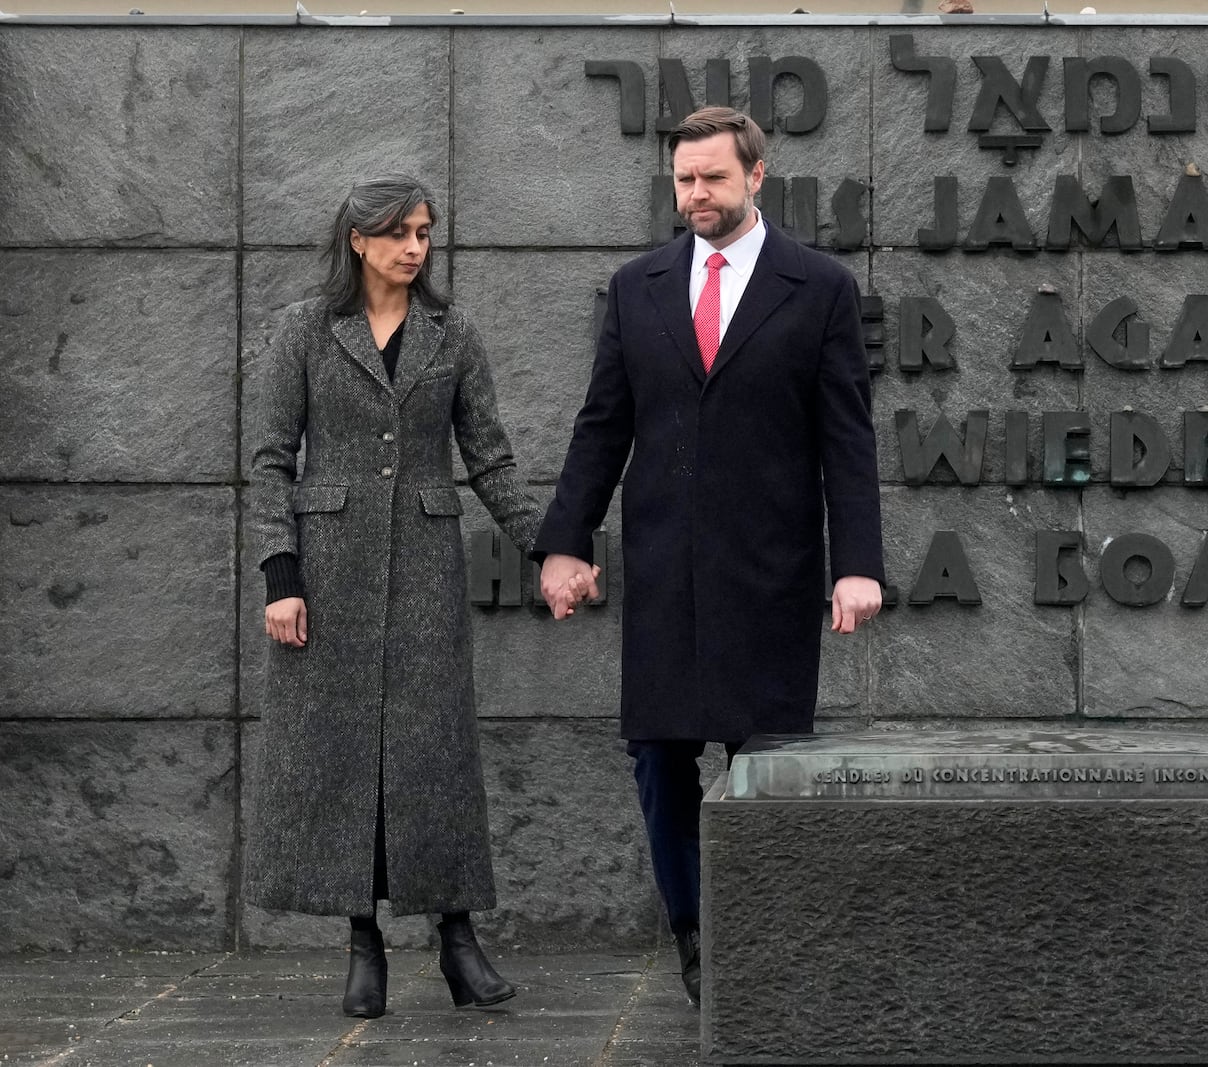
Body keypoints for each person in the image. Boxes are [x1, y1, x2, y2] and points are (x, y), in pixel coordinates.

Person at [534, 107, 885, 1007]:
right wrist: (566, 543)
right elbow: (603, 424)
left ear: (757, 176)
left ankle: (766, 933)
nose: (696, 195)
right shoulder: (638, 285)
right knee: (657, 757)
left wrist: (858, 563)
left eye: (714, 179)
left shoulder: (819, 287)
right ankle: (696, 937)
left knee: (764, 761)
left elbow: (846, 439)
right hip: (664, 575)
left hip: (770, 573)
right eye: (685, 180)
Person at [246, 174, 537, 1020]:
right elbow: (270, 460)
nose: (416, 247)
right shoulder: (302, 330)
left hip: (424, 569)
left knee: (432, 750)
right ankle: (361, 941)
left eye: (424, 231)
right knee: (342, 755)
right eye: (399, 232)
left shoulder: (453, 332)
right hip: (326, 572)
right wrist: (281, 575)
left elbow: (490, 457)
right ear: (358, 241)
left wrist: (550, 546)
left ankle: (456, 937)